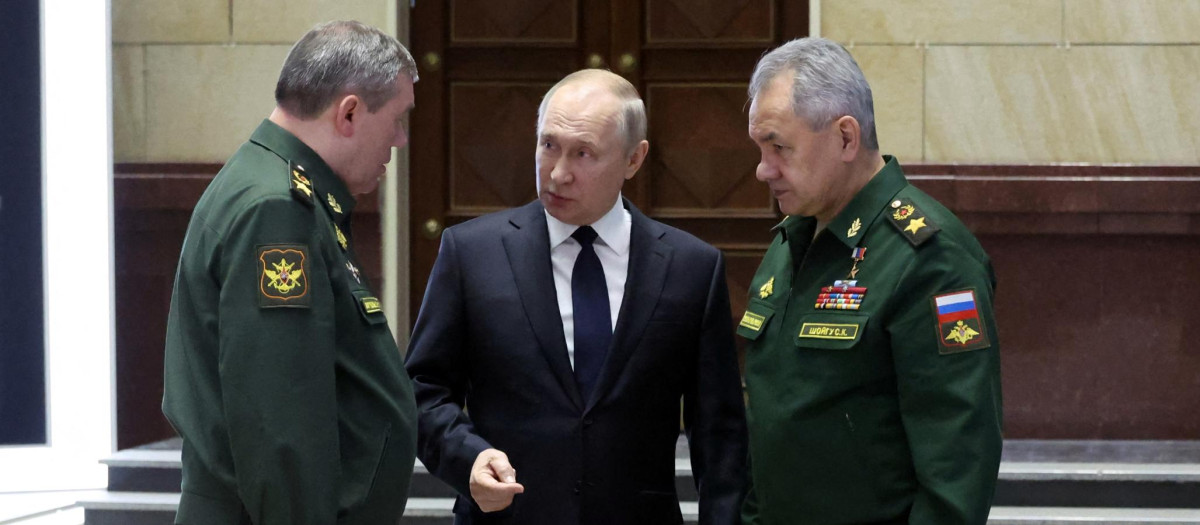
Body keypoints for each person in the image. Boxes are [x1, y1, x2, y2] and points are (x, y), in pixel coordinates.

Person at [405, 69, 747, 525]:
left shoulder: (691, 268)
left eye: (583, 153)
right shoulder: (471, 253)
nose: (558, 173)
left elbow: (719, 434)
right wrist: (468, 459)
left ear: (633, 159)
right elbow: (421, 392)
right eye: (548, 145)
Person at [161, 21, 419, 525]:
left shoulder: (281, 188)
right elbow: (282, 425)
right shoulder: (277, 209)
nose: (401, 139)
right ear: (349, 112)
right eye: (397, 119)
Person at [739, 37, 1003, 524]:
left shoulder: (933, 258)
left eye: (779, 147)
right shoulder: (792, 239)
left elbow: (957, 465)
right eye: (760, 148)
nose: (762, 169)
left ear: (845, 137)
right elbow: (773, 428)